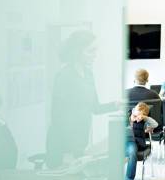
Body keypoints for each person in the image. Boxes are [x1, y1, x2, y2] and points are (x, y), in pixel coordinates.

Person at [46, 30, 119, 168]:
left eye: (95, 50)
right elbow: (57, 117)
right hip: (63, 147)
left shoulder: (88, 74)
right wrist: (66, 152)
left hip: (80, 142)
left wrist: (116, 104)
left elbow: (95, 108)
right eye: (90, 51)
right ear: (77, 51)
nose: (95, 55)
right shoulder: (64, 76)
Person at [126, 102, 158, 180]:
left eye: (142, 113)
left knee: (132, 153)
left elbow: (155, 124)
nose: (138, 115)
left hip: (134, 143)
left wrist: (145, 118)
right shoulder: (127, 117)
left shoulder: (143, 121)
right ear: (133, 111)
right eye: (137, 111)